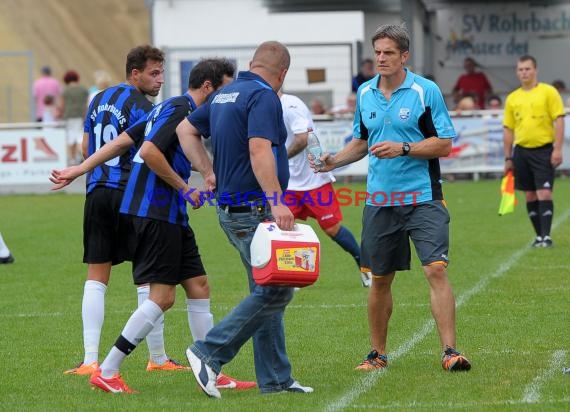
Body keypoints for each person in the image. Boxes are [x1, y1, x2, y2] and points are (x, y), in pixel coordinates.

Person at [51, 58, 254, 392]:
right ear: (208, 87)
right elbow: (148, 151)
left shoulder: (171, 107)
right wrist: (185, 187)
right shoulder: (179, 110)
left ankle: (212, 369)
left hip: (170, 214)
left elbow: (121, 142)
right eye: (225, 89)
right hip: (155, 213)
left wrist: (78, 168)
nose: (227, 97)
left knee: (199, 285)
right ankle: (108, 370)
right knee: (162, 297)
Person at [312, 24, 471, 372]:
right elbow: (361, 141)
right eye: (377, 52)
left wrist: (405, 148)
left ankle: (450, 351)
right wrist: (334, 161)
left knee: (435, 270)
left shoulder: (424, 91)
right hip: (380, 200)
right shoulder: (365, 93)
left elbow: (444, 143)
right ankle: (377, 354)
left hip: (424, 197)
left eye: (388, 53)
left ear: (404, 56)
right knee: (380, 278)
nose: (381, 58)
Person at [177, 41, 313, 398]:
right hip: (254, 209)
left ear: (252, 64)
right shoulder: (264, 96)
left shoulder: (225, 94)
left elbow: (185, 131)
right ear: (282, 73)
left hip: (232, 209)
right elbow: (259, 148)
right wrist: (277, 200)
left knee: (267, 287)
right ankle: (208, 352)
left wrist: (208, 170)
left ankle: (276, 380)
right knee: (276, 290)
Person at [53, 45, 173, 376]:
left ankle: (89, 359)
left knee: (97, 276)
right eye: (154, 73)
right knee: (148, 276)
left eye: (161, 72)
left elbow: (85, 147)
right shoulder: (142, 107)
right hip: (130, 196)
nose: (160, 80)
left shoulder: (98, 99)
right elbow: (149, 151)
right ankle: (158, 358)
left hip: (96, 193)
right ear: (135, 74)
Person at [279, 90, 371, 287]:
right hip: (289, 182)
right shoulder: (263, 105)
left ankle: (365, 265)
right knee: (283, 227)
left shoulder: (290, 105)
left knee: (332, 229)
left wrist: (279, 159)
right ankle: (293, 277)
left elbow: (303, 139)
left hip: (313, 180)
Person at [503, 55, 565, 248]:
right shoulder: (513, 98)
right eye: (521, 69)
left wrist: (557, 149)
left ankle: (546, 237)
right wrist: (508, 157)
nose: (524, 72)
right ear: (517, 72)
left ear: (535, 70)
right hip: (521, 152)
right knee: (529, 195)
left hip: (544, 150)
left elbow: (560, 120)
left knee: (544, 193)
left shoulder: (549, 92)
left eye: (528, 69)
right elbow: (508, 129)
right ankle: (539, 236)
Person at [59, 70, 89, 164]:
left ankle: (72, 158)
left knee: (71, 137)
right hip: (81, 116)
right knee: (79, 136)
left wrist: (61, 113)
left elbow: (62, 105)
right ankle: (81, 155)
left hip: (69, 116)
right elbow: (87, 103)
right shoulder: (83, 90)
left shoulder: (65, 90)